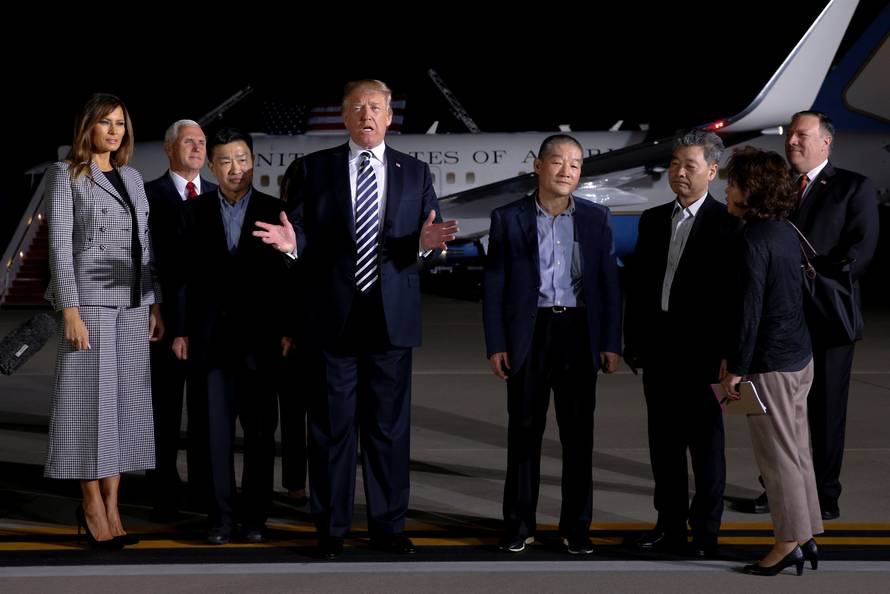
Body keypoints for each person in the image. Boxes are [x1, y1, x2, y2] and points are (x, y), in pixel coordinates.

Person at [253, 79, 459, 559]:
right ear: (345, 117)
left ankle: (388, 526)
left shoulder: (415, 172)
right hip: (332, 320)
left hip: (391, 320)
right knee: (331, 429)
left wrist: (427, 248)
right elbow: (300, 230)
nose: (367, 115)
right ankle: (331, 527)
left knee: (388, 431)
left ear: (389, 117)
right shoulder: (314, 168)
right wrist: (293, 245)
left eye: (376, 107)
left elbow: (428, 237)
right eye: (358, 107)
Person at [482, 134, 620, 555]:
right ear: (538, 166)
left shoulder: (596, 217)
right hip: (531, 332)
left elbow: (608, 285)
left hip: (578, 332)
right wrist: (496, 342)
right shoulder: (508, 217)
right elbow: (495, 284)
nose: (566, 171)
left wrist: (610, 341)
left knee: (578, 436)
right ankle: (518, 525)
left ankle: (576, 527)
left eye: (575, 164)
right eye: (558, 162)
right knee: (524, 432)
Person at [740, 111, 879, 520]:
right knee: (780, 410)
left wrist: (805, 277)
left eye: (802, 135)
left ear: (825, 142)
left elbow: (859, 253)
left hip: (826, 316)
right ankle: (778, 487)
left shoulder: (853, 187)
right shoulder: (777, 186)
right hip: (780, 319)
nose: (792, 141)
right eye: (789, 135)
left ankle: (825, 492)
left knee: (826, 409)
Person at [44, 93, 163, 549]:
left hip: (133, 305)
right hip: (90, 305)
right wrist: (70, 310)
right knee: (88, 408)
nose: (114, 131)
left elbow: (145, 244)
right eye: (105, 123)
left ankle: (115, 506)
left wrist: (154, 301)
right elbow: (59, 246)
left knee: (124, 409)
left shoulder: (132, 177)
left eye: (120, 123)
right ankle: (92, 504)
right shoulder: (66, 174)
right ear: (88, 127)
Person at [623, 130, 739, 557]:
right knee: (664, 445)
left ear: (712, 171)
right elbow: (639, 286)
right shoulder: (653, 219)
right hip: (659, 352)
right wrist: (632, 340)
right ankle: (668, 526)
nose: (679, 172)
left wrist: (731, 354)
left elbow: (735, 298)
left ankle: (705, 532)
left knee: (706, 448)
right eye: (674, 164)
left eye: (690, 165)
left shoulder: (729, 224)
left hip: (705, 356)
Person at [171, 128, 288, 544]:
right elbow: (182, 278)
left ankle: (255, 518)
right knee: (214, 436)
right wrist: (181, 330)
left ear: (253, 162)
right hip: (211, 341)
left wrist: (288, 329)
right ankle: (220, 518)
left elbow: (290, 279)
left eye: (242, 159)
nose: (235, 168)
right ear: (211, 166)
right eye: (225, 161)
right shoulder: (194, 212)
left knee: (260, 435)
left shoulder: (276, 211)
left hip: (261, 343)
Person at [720, 146, 821, 576]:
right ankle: (807, 532)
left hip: (770, 365)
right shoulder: (783, 230)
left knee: (777, 459)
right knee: (797, 451)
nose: (727, 190)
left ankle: (787, 543)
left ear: (752, 190)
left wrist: (736, 369)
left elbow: (750, 312)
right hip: (798, 357)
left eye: (733, 183)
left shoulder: (752, 240)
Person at [144, 119, 217, 519]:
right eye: (189, 142)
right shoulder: (147, 195)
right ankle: (163, 491)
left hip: (208, 324)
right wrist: (153, 306)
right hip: (163, 321)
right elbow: (143, 257)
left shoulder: (217, 194)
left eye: (202, 142)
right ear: (169, 148)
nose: (197, 148)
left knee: (206, 412)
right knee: (164, 411)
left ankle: (203, 490)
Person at [276, 158, 309, 507]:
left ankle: (296, 484)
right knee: (295, 413)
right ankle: (297, 484)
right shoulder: (281, 222)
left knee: (294, 415)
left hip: (306, 331)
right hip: (292, 334)